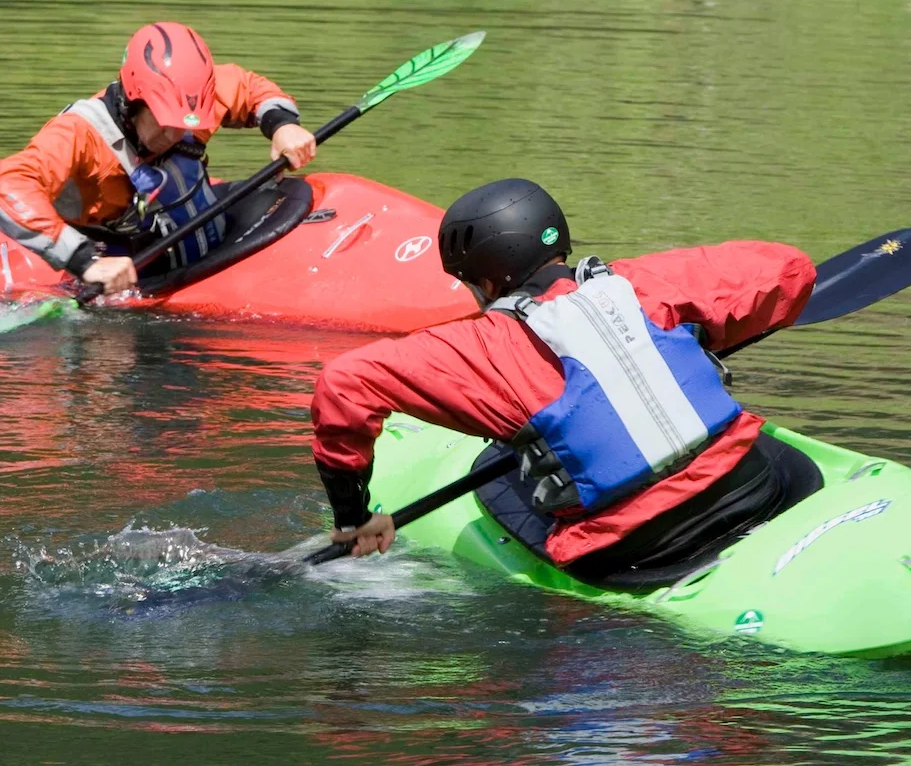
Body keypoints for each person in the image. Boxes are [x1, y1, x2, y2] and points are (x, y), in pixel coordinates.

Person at [309, 178, 818, 578]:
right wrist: (694, 336)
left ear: (487, 281)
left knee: (505, 475)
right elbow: (789, 268)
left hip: (637, 547)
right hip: (751, 487)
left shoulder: (482, 346)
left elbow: (343, 384)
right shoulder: (645, 283)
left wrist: (352, 520)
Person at [0, 22, 317, 293]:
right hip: (115, 268)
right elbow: (10, 188)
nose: (174, 136)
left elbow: (249, 88)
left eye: (184, 124)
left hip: (206, 250)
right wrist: (83, 262)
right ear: (135, 99)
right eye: (164, 121)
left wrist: (282, 126)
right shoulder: (77, 134)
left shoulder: (191, 98)